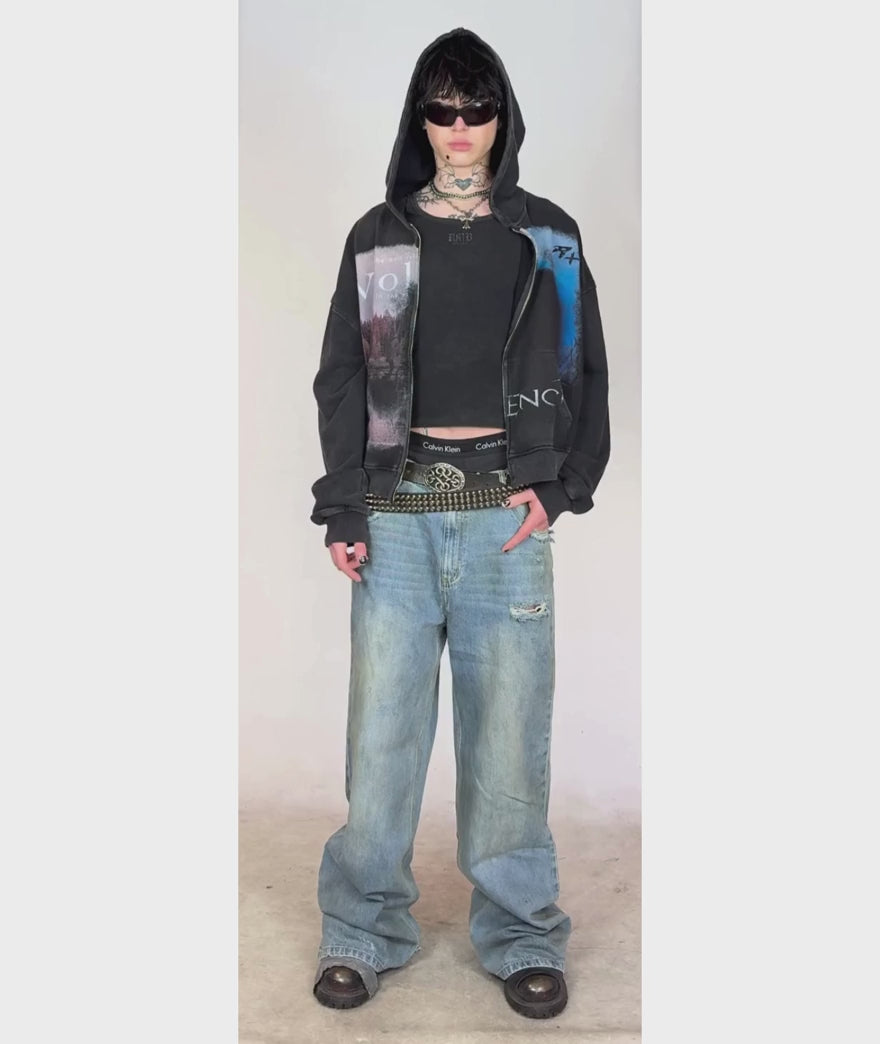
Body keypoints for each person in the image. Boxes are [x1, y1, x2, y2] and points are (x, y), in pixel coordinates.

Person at [309, 27, 610, 1020]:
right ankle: (362, 929)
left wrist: (563, 486)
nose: (459, 128)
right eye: (440, 110)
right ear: (419, 121)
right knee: (382, 738)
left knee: (509, 741)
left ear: (502, 118)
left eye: (476, 109)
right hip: (395, 517)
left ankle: (522, 934)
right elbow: (343, 376)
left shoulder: (549, 236)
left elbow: (583, 368)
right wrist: (344, 502)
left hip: (503, 522)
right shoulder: (379, 237)